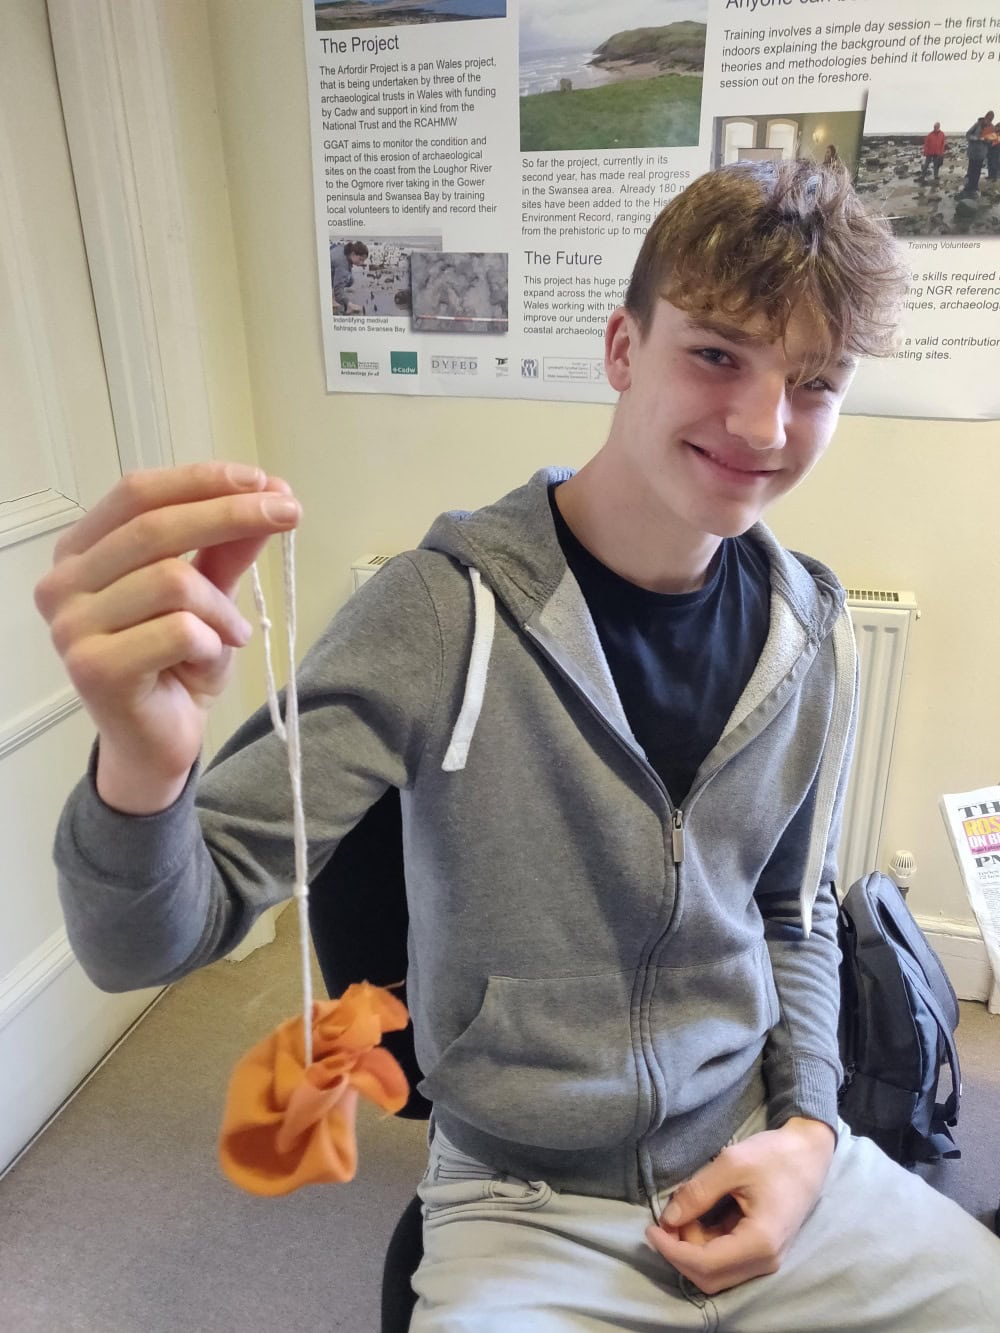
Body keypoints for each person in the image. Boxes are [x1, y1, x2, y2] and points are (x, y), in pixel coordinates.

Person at [36, 162, 1000, 1331]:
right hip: (521, 1200)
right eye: (715, 355)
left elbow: (793, 912)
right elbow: (149, 938)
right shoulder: (438, 610)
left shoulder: (816, 628)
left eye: (813, 382)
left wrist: (806, 1128)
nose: (763, 424)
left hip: (763, 1157)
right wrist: (142, 766)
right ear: (619, 348)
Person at [330, 238, 368, 314]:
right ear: (353, 254)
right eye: (360, 259)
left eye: (363, 260)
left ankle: (332, 296)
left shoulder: (346, 249)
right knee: (346, 280)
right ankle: (332, 300)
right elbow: (338, 288)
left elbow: (332, 247)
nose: (361, 262)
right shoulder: (342, 265)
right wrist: (348, 304)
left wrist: (359, 263)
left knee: (349, 279)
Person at [961, 111, 994, 196]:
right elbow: (968, 135)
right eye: (988, 118)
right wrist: (976, 138)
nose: (989, 120)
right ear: (985, 117)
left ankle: (975, 187)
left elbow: (991, 143)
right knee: (970, 170)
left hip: (982, 153)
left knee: (977, 171)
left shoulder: (992, 128)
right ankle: (968, 187)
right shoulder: (977, 124)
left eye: (991, 119)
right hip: (973, 152)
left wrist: (988, 141)